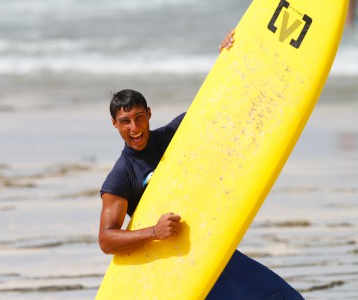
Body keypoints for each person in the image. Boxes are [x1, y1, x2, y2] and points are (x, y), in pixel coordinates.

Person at [98, 31, 304, 299]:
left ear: (149, 114)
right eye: (126, 121)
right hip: (178, 267)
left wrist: (231, 54)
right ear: (115, 123)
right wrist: (154, 232)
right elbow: (106, 239)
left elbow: (220, 99)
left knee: (282, 296)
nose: (135, 128)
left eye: (139, 118)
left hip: (213, 247)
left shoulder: (177, 134)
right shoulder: (122, 175)